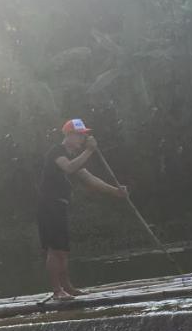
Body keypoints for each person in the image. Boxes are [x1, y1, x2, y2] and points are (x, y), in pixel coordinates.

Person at [36, 118, 129, 299]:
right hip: (49, 204)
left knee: (63, 249)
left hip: (60, 204)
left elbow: (89, 178)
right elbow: (69, 168)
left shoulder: (72, 156)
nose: (82, 139)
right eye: (79, 135)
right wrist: (89, 150)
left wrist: (115, 191)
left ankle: (67, 287)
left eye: (84, 135)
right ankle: (57, 291)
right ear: (69, 135)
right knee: (55, 249)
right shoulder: (57, 151)